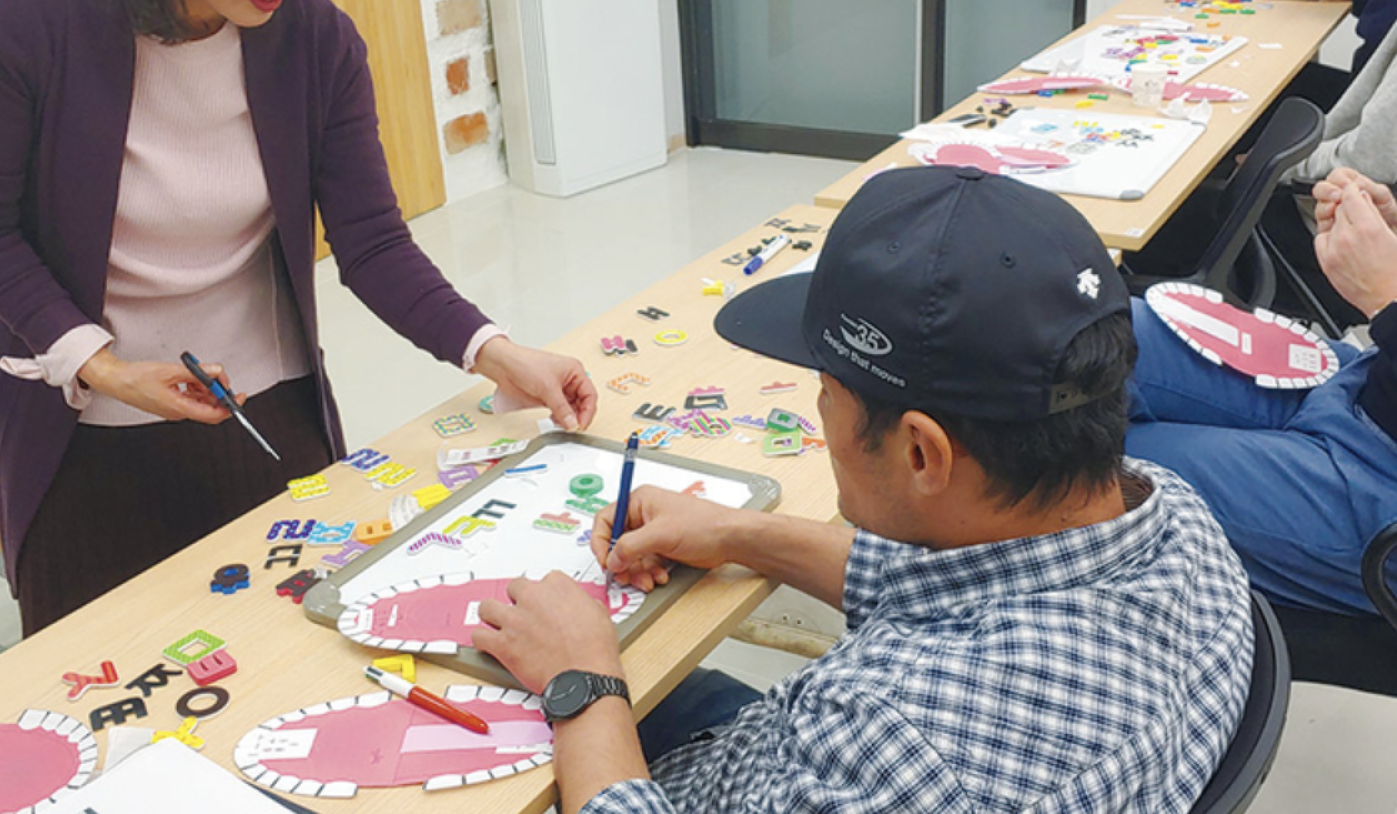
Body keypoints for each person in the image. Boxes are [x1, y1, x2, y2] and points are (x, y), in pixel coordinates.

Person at [0, 0, 595, 635]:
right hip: (79, 437)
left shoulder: (315, 42)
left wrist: (491, 349)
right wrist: (102, 363)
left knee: (296, 653)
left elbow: (371, 242)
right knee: (108, 693)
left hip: (258, 415)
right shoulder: (16, 20)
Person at [471, 166, 1254, 814]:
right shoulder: (1174, 515)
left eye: (826, 394)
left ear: (921, 452)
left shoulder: (901, 741)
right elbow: (968, 585)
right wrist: (740, 533)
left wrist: (583, 684)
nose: (818, 416)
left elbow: (903, 736)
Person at [1128, 166, 1396, 618]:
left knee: (1080, 457)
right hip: (1364, 384)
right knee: (1086, 334)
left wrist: (1387, 296)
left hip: (1377, 487)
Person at [1263, 23, 1397, 328]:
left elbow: (1369, 156)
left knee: (1176, 220)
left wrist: (1279, 161)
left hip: (1352, 253)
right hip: (1368, 216)